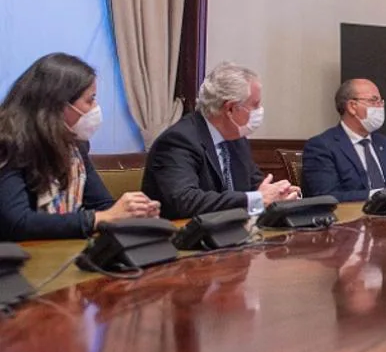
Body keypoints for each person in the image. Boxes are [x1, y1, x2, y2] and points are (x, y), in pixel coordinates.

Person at [0, 53, 159, 240]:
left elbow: (102, 205)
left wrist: (132, 214)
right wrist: (96, 219)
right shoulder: (8, 143)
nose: (96, 108)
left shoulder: (75, 146)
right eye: (90, 100)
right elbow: (18, 223)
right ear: (58, 104)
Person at [143, 62, 298, 219]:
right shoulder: (178, 141)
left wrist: (280, 194)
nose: (259, 111)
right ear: (230, 108)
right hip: (182, 237)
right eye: (255, 105)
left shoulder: (237, 139)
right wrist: (256, 199)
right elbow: (185, 201)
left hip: (231, 234)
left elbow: (256, 185)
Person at [302, 79, 386, 202]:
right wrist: (380, 195)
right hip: (348, 222)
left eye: (381, 102)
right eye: (374, 101)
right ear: (352, 106)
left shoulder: (385, 143)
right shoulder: (322, 146)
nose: (380, 107)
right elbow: (327, 196)